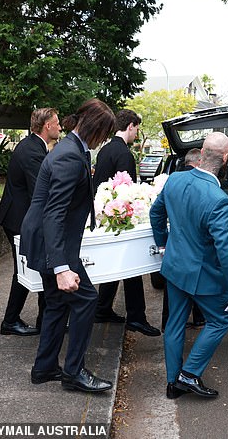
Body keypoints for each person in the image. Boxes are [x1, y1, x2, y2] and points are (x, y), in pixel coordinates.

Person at [19, 98, 115, 392]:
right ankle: (73, 372)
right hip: (51, 244)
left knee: (57, 304)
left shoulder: (73, 150)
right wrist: (61, 267)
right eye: (105, 134)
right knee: (86, 300)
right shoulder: (70, 156)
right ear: (95, 129)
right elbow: (54, 212)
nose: (105, 141)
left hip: (48, 240)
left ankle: (45, 367)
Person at [150, 132, 228, 400]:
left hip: (174, 267)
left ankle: (172, 384)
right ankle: (189, 374)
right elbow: (227, 252)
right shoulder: (218, 199)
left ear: (203, 151)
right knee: (220, 320)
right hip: (202, 274)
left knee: (174, 324)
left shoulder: (174, 179)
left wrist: (163, 244)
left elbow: (155, 213)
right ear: (226, 158)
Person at [92, 109, 160, 336]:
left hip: (102, 214)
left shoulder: (105, 150)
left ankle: (102, 308)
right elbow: (127, 193)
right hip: (118, 216)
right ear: (130, 125)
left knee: (116, 264)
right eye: (137, 128)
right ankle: (137, 317)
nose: (137, 133)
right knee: (132, 266)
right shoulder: (124, 154)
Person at [0, 108, 62, 336]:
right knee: (25, 270)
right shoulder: (33, 152)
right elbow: (40, 192)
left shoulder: (34, 147)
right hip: (18, 220)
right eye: (57, 123)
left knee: (29, 269)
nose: (60, 127)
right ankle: (12, 321)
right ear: (47, 126)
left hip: (19, 216)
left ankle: (39, 320)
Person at [160, 148, 206, 331]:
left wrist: (162, 240)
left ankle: (168, 321)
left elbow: (156, 212)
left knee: (172, 285)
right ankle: (199, 318)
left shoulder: (172, 179)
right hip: (197, 242)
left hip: (175, 241)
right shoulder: (204, 182)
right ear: (199, 162)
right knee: (199, 281)